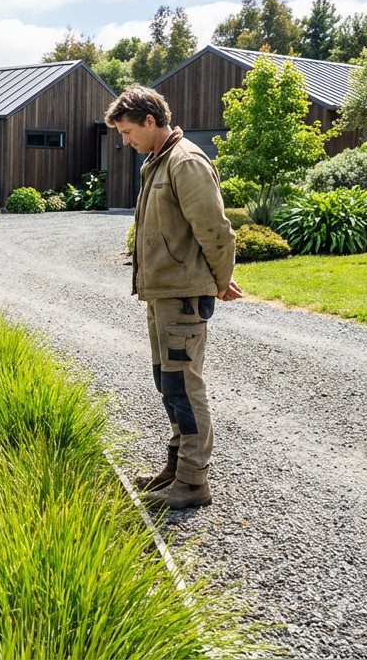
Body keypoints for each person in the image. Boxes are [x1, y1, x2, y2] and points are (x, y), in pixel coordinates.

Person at [106, 85, 242, 510]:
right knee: (168, 384)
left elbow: (216, 231)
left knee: (184, 386)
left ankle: (194, 482)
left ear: (151, 120)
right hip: (162, 294)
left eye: (128, 132)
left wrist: (220, 280)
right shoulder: (158, 161)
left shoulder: (186, 162)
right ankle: (176, 466)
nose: (125, 142)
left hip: (183, 295)